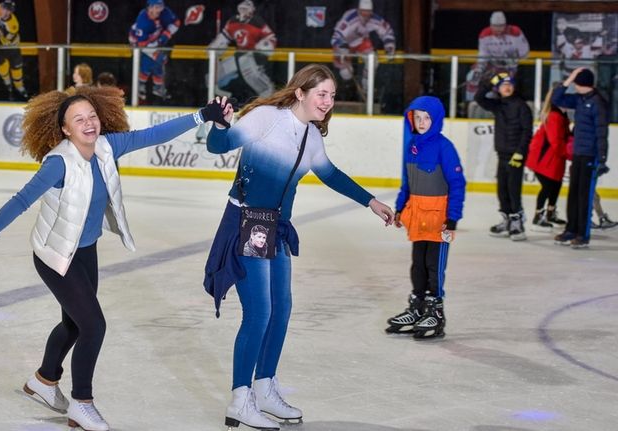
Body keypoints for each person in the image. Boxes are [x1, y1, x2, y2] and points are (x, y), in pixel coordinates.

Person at [0, 85, 231, 431]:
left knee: (75, 323)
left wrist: (202, 116)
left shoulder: (108, 146)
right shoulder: (58, 163)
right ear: (65, 128)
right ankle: (82, 403)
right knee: (93, 325)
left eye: (92, 116)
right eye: (79, 119)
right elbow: (22, 199)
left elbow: (153, 135)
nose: (89, 123)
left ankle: (44, 381)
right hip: (54, 254)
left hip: (85, 250)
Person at [202, 64, 394, 430]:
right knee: (259, 312)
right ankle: (241, 400)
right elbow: (219, 146)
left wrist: (371, 202)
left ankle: (265, 386)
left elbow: (331, 174)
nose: (328, 102)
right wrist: (220, 123)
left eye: (333, 96)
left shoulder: (311, 137)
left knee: (282, 309)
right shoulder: (265, 118)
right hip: (246, 222)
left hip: (276, 227)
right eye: (322, 94)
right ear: (300, 92)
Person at [386, 96, 466, 339]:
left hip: (438, 219)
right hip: (417, 216)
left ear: (436, 119)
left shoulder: (444, 147)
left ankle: (435, 310)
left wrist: (452, 218)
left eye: (426, 118)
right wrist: (400, 208)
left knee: (435, 266)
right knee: (417, 265)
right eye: (417, 117)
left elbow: (457, 184)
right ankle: (418, 306)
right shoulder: (412, 146)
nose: (421, 122)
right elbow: (407, 182)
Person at [552, 67, 609, 248]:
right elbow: (556, 99)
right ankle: (571, 229)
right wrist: (567, 80)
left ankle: (582, 235)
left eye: (576, 82)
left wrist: (602, 158)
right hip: (577, 154)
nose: (573, 85)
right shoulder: (579, 99)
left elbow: (602, 132)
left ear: (582, 84)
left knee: (584, 196)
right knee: (574, 194)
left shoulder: (597, 103)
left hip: (590, 155)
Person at [475, 72, 532, 241]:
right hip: (502, 154)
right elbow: (479, 98)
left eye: (509, 85)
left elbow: (527, 132)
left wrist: (520, 153)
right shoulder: (498, 105)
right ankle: (506, 220)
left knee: (514, 191)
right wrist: (489, 82)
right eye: (503, 85)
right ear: (498, 89)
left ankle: (517, 223)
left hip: (515, 155)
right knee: (502, 190)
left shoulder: (522, 106)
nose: (507, 88)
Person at [209, 0, 277, 103]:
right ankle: (217, 92)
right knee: (219, 71)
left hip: (252, 56)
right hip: (239, 55)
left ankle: (269, 95)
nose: (243, 12)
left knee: (250, 74)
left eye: (246, 9)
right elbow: (224, 37)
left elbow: (271, 39)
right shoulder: (233, 21)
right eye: (242, 9)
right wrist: (216, 46)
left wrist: (261, 47)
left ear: (251, 11)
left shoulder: (257, 22)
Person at [525, 85, 571, 232]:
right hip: (543, 159)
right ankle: (538, 216)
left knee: (556, 185)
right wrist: (570, 153)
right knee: (548, 187)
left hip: (555, 158)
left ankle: (550, 213)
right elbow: (555, 141)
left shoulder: (562, 115)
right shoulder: (554, 116)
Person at [330, 0, 396, 101]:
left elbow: (387, 31)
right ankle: (347, 93)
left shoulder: (375, 19)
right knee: (346, 73)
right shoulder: (349, 19)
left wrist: (389, 47)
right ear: (358, 10)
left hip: (360, 40)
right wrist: (342, 50)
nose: (365, 16)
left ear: (371, 12)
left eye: (368, 12)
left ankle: (366, 89)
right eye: (363, 12)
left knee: (372, 60)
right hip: (344, 43)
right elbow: (336, 37)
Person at [465, 11, 530, 102]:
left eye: (501, 26)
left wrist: (512, 58)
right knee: (472, 76)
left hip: (510, 67)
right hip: (492, 65)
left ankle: (498, 100)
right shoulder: (484, 34)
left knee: (499, 83)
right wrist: (479, 68)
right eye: (495, 26)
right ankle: (470, 101)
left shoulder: (515, 32)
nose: (498, 29)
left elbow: (525, 52)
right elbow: (483, 54)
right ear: (491, 25)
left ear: (505, 25)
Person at [128, 0, 180, 101]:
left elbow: (177, 22)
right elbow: (141, 44)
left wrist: (167, 33)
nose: (159, 10)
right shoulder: (144, 22)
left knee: (159, 59)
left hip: (154, 38)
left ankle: (153, 86)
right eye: (156, 7)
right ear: (149, 8)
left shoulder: (162, 12)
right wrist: (157, 48)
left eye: (160, 7)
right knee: (156, 59)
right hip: (139, 43)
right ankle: (143, 86)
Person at [0, 0, 29, 101]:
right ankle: (8, 87)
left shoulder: (13, 25)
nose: (4, 11)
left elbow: (6, 41)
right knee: (2, 67)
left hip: (11, 47)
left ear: (11, 12)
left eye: (8, 10)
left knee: (16, 69)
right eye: (3, 8)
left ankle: (20, 88)